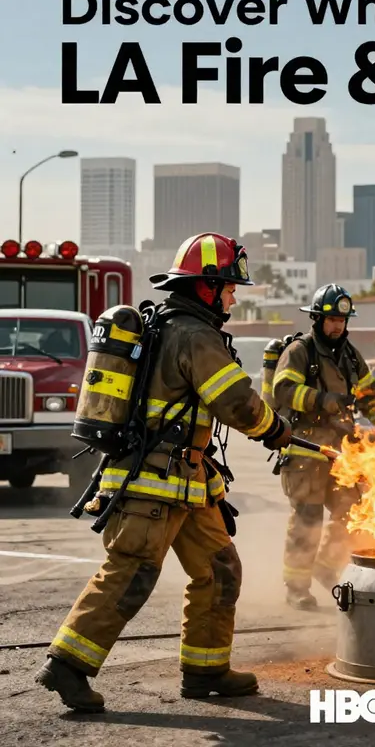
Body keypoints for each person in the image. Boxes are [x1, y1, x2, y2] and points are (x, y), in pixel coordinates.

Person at [35, 233, 292, 713]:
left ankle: (205, 670)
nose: (234, 297)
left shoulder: (181, 326)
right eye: (229, 287)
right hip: (152, 482)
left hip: (187, 481)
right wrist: (274, 428)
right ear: (206, 286)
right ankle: (66, 665)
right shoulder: (195, 335)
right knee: (131, 572)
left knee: (220, 570)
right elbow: (236, 400)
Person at [271, 283, 375, 610]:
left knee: (353, 512)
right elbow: (283, 390)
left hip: (342, 454)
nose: (337, 325)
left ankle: (326, 568)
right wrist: (324, 400)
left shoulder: (351, 356)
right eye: (331, 319)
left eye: (342, 319)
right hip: (306, 452)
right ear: (316, 318)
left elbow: (369, 396)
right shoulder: (301, 351)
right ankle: (296, 588)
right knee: (307, 521)